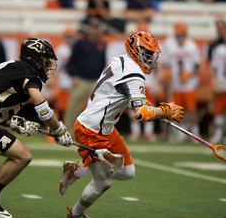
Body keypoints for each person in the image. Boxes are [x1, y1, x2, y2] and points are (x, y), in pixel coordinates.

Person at [58, 31, 184, 218]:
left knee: (127, 171)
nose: (150, 58)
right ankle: (75, 214)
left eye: (152, 54)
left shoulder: (121, 60)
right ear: (135, 50)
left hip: (105, 127)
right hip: (91, 129)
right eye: (147, 53)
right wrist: (165, 111)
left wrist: (144, 102)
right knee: (103, 183)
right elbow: (140, 114)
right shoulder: (134, 73)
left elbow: (120, 91)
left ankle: (75, 171)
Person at [0, 37, 73, 218]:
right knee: (23, 155)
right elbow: (41, 106)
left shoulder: (16, 69)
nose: (49, 64)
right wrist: (59, 129)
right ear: (34, 58)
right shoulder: (25, 71)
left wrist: (16, 124)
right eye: (45, 59)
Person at [64, 18, 106, 137]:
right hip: (80, 79)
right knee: (73, 107)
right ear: (89, 29)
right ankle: (67, 132)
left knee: (94, 109)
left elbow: (103, 64)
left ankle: (90, 132)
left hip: (94, 81)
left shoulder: (102, 44)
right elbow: (72, 61)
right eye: (93, 27)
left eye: (96, 28)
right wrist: (73, 75)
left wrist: (102, 80)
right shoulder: (80, 43)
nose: (94, 30)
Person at [162, 22, 201, 142]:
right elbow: (166, 63)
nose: (180, 38)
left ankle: (195, 131)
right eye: (178, 36)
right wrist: (167, 73)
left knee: (191, 109)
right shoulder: (169, 44)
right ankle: (182, 132)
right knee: (177, 110)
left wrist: (188, 74)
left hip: (189, 84)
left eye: (182, 35)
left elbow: (197, 66)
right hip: (175, 84)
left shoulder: (192, 46)